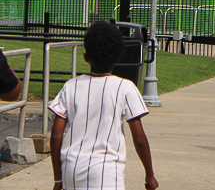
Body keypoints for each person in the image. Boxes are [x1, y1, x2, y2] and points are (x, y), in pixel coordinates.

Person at [49, 21, 158, 190]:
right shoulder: (125, 87)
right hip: (107, 172)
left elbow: (56, 136)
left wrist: (58, 179)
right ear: (119, 55)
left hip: (72, 169)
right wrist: (149, 175)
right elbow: (139, 138)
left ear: (86, 58)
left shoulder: (70, 86)